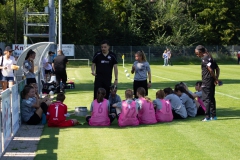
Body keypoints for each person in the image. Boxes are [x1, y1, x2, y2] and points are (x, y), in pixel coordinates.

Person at [195, 45, 220, 121]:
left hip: (207, 81)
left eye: (197, 53)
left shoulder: (204, 59)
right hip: (211, 81)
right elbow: (217, 68)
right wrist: (216, 78)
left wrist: (215, 78)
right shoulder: (211, 58)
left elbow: (211, 70)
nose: (197, 55)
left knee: (206, 99)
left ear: (200, 52)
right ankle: (214, 116)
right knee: (212, 98)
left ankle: (207, 117)